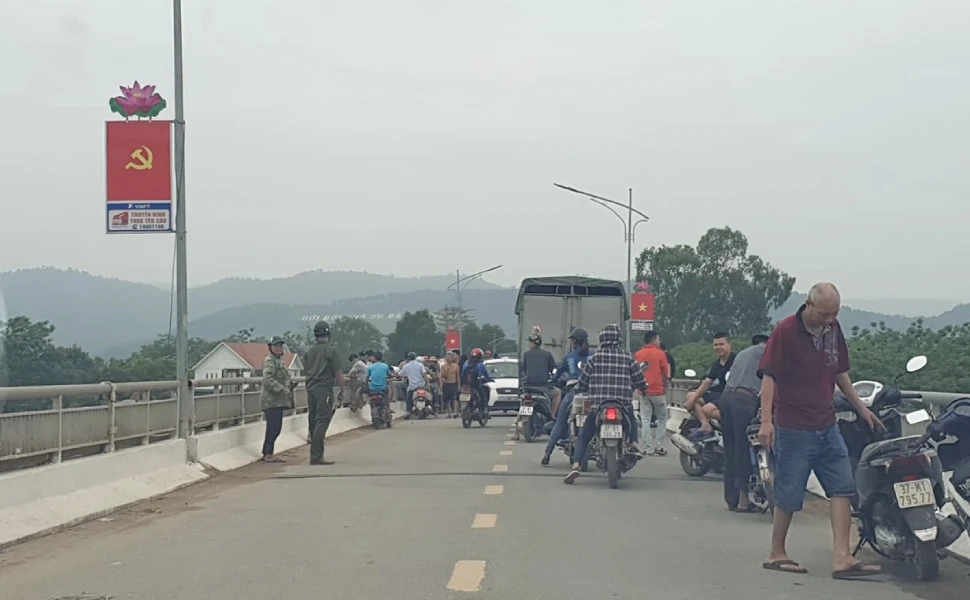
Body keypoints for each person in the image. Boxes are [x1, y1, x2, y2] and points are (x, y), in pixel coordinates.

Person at [758, 283, 884, 578]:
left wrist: (861, 408)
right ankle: (777, 552)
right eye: (824, 314)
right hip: (793, 425)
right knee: (789, 492)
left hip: (827, 423)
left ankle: (843, 557)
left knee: (842, 487)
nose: (829, 319)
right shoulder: (786, 331)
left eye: (834, 313)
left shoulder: (833, 329)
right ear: (809, 305)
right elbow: (769, 376)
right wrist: (766, 421)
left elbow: (839, 372)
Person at [564, 324, 646, 484]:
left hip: (598, 405)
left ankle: (576, 466)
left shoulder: (595, 358)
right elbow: (639, 379)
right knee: (632, 419)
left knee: (584, 436)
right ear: (618, 339)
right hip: (622, 403)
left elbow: (583, 381)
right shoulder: (627, 357)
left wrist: (577, 389)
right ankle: (634, 443)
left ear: (602, 339)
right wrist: (643, 388)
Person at [719, 334, 769, 512]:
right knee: (743, 448)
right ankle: (743, 500)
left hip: (726, 398)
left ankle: (731, 498)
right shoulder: (768, 352)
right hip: (744, 400)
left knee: (730, 449)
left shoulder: (743, 353)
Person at [541, 327, 592, 466]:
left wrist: (554, 380)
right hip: (592, 394)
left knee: (560, 423)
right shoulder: (594, 356)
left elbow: (557, 374)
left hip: (573, 393)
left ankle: (547, 453)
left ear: (574, 341)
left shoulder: (569, 357)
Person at [304, 321, 346, 465]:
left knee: (313, 419)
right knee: (322, 420)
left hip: (310, 388)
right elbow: (338, 373)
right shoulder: (331, 351)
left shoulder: (309, 352)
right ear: (328, 334)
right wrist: (342, 389)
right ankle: (317, 455)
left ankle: (313, 452)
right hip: (324, 389)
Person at [684, 332, 736, 439]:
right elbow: (708, 382)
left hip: (733, 395)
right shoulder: (717, 364)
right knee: (691, 396)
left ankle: (734, 421)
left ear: (729, 345)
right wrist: (691, 400)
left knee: (707, 410)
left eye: (721, 344)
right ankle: (705, 425)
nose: (718, 347)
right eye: (716, 345)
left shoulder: (737, 360)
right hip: (719, 394)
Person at [634, 331, 671, 456]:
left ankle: (648, 448)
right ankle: (659, 446)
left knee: (645, 420)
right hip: (658, 391)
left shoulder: (638, 354)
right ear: (654, 340)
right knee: (662, 418)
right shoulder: (660, 354)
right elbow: (666, 372)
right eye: (658, 339)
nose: (659, 342)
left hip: (643, 391)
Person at [260, 336, 292, 463]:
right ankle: (268, 453)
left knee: (276, 427)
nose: (279, 348)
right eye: (276, 346)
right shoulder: (270, 361)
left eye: (280, 346)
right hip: (271, 401)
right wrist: (282, 389)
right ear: (270, 347)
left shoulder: (279, 361)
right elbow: (267, 379)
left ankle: (268, 452)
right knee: (273, 428)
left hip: (279, 401)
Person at [520, 332, 560, 412]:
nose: (529, 344)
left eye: (530, 342)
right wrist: (553, 377)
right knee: (558, 393)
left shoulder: (526, 354)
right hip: (543, 387)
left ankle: (520, 416)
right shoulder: (547, 354)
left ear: (532, 343)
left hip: (528, 388)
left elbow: (524, 369)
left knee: (522, 400)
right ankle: (552, 414)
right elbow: (553, 369)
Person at [461, 348, 493, 413]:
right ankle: (485, 409)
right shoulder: (480, 365)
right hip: (476, 385)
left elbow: (462, 374)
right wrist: (489, 379)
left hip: (466, 386)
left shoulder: (466, 364)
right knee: (484, 395)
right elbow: (485, 374)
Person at [398, 352, 429, 419]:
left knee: (408, 399)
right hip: (421, 385)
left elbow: (400, 374)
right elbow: (424, 374)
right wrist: (427, 383)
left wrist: (406, 375)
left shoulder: (406, 366)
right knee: (428, 396)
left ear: (408, 358)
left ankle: (409, 412)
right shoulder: (420, 365)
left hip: (412, 387)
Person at [440, 353, 460, 418]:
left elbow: (458, 376)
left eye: (450, 357)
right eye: (447, 357)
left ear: (452, 358)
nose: (448, 358)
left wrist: (459, 385)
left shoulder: (456, 366)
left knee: (454, 399)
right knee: (446, 400)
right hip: (446, 384)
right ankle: (449, 413)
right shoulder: (443, 366)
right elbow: (442, 376)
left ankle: (455, 412)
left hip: (453, 383)